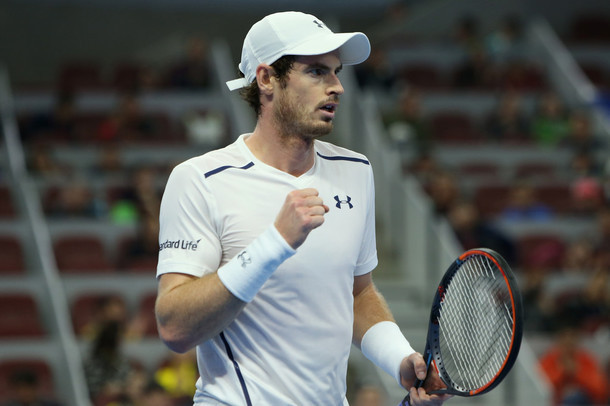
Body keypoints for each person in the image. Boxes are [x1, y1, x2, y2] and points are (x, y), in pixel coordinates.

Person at [155, 11, 450, 406]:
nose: (338, 87)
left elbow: (357, 293)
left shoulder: (356, 171)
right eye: (317, 72)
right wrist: (274, 243)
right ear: (266, 80)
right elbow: (174, 327)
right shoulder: (200, 180)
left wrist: (400, 359)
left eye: (336, 72)